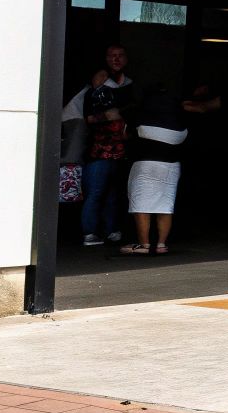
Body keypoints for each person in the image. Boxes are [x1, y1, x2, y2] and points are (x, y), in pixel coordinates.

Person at [120, 82, 215, 256]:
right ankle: (161, 244)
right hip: (172, 165)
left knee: (141, 204)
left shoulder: (140, 111)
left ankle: (144, 244)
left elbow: (126, 135)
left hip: (145, 163)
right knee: (165, 205)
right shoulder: (180, 114)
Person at [63, 45, 136, 247]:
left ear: (126, 58)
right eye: (112, 56)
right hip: (98, 151)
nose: (116, 59)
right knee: (95, 192)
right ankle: (90, 233)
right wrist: (108, 115)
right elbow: (87, 118)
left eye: (120, 55)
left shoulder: (129, 85)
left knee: (113, 193)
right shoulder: (94, 88)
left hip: (120, 150)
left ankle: (111, 229)